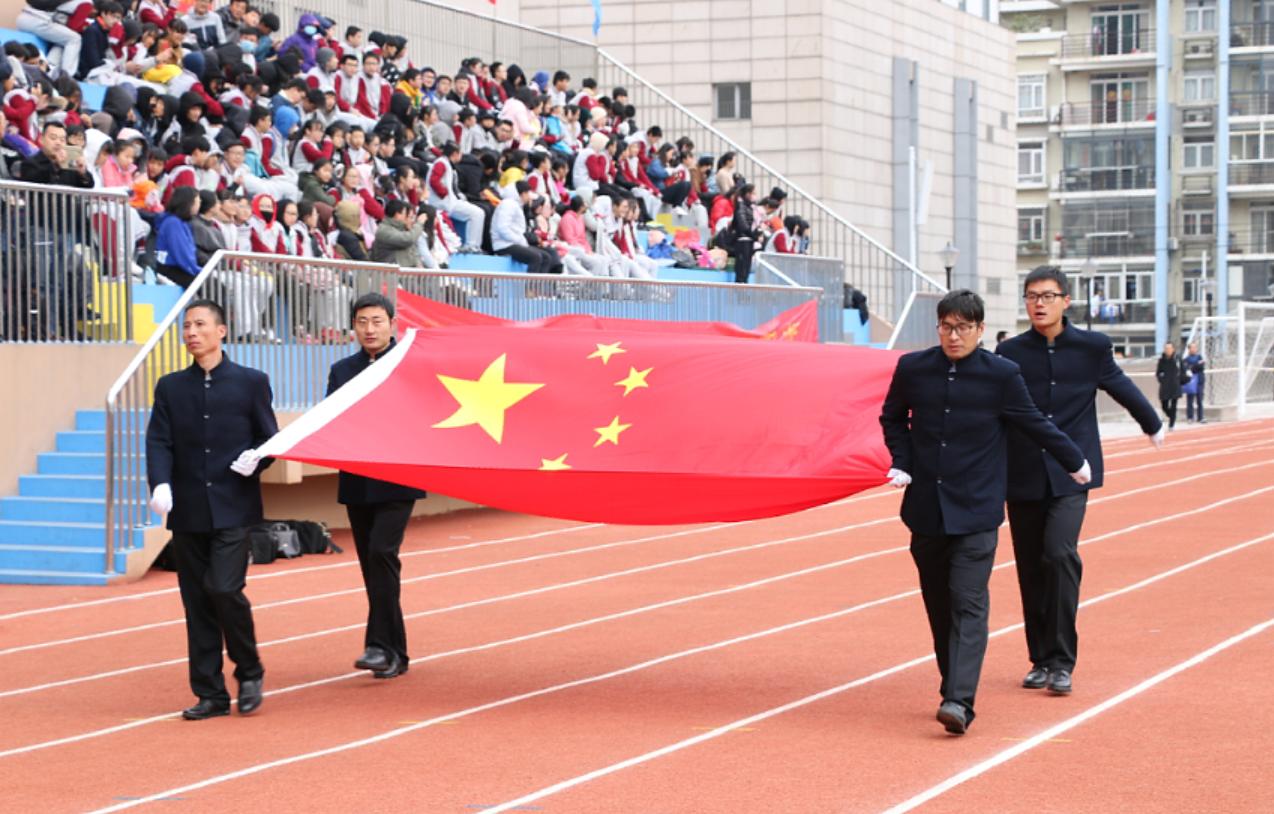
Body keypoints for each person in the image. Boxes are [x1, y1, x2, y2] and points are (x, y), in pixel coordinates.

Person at [879, 289, 1090, 735]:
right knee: (939, 605)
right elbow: (892, 417)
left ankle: (959, 700)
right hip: (926, 511)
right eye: (945, 327)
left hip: (977, 511)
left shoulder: (1002, 375)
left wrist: (1074, 460)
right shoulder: (914, 369)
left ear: (979, 329)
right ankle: (951, 682)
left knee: (968, 603)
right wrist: (902, 460)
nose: (953, 336)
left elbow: (1033, 421)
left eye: (963, 328)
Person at [997, 266, 1163, 697]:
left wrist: (1152, 423)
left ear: (1065, 301)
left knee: (1059, 553)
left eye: (1048, 296)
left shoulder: (1093, 347)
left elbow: (1121, 387)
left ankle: (1063, 661)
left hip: (1074, 473)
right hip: (1024, 474)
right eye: (1032, 296)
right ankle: (1040, 660)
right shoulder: (1010, 351)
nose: (1039, 303)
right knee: (1031, 568)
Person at [145, 299, 278, 720]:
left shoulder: (250, 382)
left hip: (233, 507)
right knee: (196, 602)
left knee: (223, 588)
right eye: (186, 327)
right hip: (188, 510)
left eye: (200, 325)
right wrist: (160, 482)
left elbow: (268, 438)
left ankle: (250, 669)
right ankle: (210, 694)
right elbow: (159, 441)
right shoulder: (169, 386)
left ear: (222, 331)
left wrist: (257, 458)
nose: (191, 333)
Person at [327, 293, 426, 679]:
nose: (369, 329)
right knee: (373, 564)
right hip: (357, 478)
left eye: (377, 321)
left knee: (383, 553)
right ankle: (395, 652)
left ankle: (378, 645)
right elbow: (330, 417)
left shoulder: (409, 362)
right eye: (362, 322)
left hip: (398, 476)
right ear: (354, 326)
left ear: (392, 323)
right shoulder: (341, 370)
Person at [491, 180, 562, 275]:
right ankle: (529, 289)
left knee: (546, 257)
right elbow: (502, 228)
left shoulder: (516, 205)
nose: (529, 197)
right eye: (528, 193)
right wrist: (519, 240)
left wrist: (520, 241)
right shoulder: (508, 204)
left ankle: (539, 288)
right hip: (504, 244)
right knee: (536, 257)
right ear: (523, 194)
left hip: (514, 242)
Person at [1156, 342, 1183, 430]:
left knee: (1174, 405)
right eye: (1166, 348)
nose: (1168, 350)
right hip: (1165, 386)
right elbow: (1158, 372)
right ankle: (1172, 416)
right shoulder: (1161, 360)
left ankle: (1171, 424)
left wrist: (1180, 380)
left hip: (1175, 385)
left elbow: (1183, 370)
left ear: (1173, 349)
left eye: (1169, 348)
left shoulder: (1177, 359)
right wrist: (1161, 379)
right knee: (1164, 405)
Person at [1183, 342, 1206, 423]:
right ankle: (1190, 417)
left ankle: (1201, 417)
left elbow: (1201, 367)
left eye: (1195, 347)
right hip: (1190, 382)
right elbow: (1186, 368)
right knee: (1190, 400)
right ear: (1189, 349)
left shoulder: (1199, 357)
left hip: (1199, 380)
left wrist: (1193, 367)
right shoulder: (1186, 359)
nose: (1194, 349)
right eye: (1192, 347)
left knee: (1200, 399)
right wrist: (1195, 366)